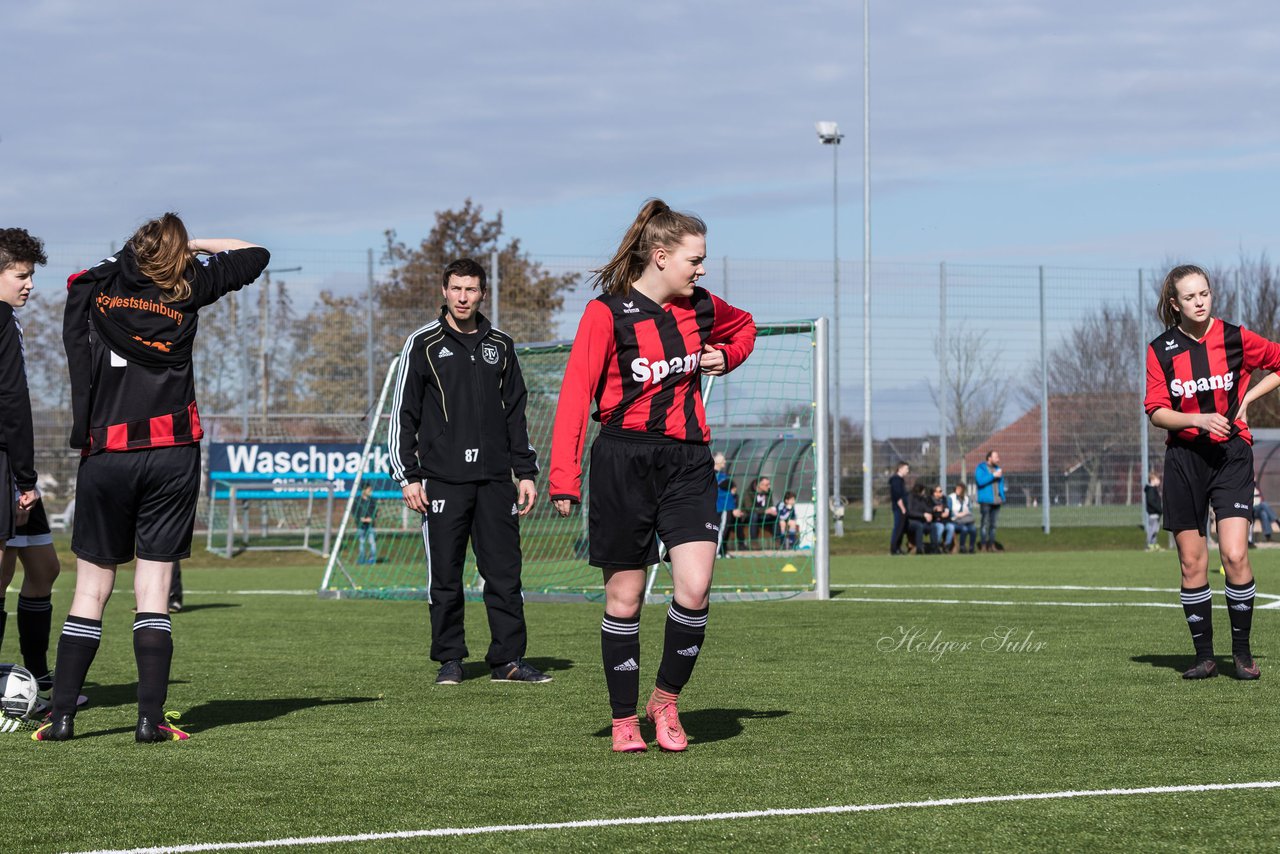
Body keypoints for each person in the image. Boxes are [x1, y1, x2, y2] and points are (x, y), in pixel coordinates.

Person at [38, 213, 269, 742]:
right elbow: (256, 252)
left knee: (91, 589)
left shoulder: (102, 284)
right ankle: (149, 720)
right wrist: (194, 247)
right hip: (170, 452)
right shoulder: (190, 285)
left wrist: (129, 257)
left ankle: (63, 718)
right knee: (154, 588)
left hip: (108, 451)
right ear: (178, 253)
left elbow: (77, 294)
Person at [548, 199, 756, 753]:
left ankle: (665, 700)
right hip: (623, 461)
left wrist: (725, 357)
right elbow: (574, 398)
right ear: (661, 257)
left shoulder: (704, 308)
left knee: (695, 587)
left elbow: (746, 328)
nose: (703, 269)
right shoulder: (606, 315)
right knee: (626, 597)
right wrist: (563, 478)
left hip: (689, 461)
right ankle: (623, 718)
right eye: (696, 258)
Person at [389, 257, 547, 687]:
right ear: (444, 291)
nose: (463, 297)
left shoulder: (501, 343)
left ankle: (508, 659)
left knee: (504, 574)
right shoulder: (421, 344)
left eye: (471, 289)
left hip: (496, 480)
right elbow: (403, 414)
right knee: (445, 575)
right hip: (442, 480)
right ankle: (450, 659)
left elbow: (516, 413)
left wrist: (525, 472)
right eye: (456, 289)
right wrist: (408, 474)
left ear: (482, 293)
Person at [1144, 263, 1280, 681]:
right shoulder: (1160, 349)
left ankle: (1241, 654)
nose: (1199, 302)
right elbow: (1155, 412)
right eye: (1189, 297)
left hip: (1231, 457)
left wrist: (1247, 400)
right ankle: (1204, 656)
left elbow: (1277, 364)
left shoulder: (1236, 337)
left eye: (1204, 293)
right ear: (1175, 304)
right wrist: (1198, 421)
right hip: (1184, 461)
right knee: (1191, 563)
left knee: (1236, 554)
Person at [0, 228, 48, 692]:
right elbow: (12, 399)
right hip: (10, 466)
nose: (29, 284)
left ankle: (38, 675)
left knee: (43, 568)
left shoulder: (8, 318)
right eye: (21, 275)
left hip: (14, 465)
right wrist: (25, 478)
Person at [974, 450, 1006, 552]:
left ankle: (992, 545)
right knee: (984, 524)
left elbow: (1000, 484)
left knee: (993, 525)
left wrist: (1002, 496)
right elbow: (980, 481)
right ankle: (983, 545)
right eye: (996, 457)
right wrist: (993, 475)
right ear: (989, 458)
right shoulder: (981, 468)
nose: (998, 459)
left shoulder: (997, 469)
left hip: (996, 501)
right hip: (986, 501)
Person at [713, 454, 743, 558]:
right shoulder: (712, 475)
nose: (725, 461)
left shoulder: (723, 475)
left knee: (726, 529)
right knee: (721, 529)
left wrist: (734, 507)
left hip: (727, 507)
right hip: (721, 507)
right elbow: (726, 486)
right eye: (723, 460)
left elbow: (732, 491)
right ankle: (715, 552)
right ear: (716, 461)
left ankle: (723, 551)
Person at [904, 482, 937, 555]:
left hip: (921, 521)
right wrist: (923, 515)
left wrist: (933, 510)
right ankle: (919, 549)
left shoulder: (922, 499)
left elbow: (926, 509)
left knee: (933, 526)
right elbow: (910, 512)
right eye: (923, 491)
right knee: (919, 526)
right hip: (911, 523)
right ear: (920, 491)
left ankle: (934, 548)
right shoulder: (910, 497)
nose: (924, 492)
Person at [747, 477, 778, 549]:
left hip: (763, 516)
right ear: (759, 485)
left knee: (776, 515)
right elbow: (749, 508)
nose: (769, 486)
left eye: (769, 484)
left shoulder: (768, 492)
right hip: (750, 516)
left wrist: (772, 509)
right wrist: (764, 511)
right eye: (767, 485)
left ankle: (777, 540)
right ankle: (753, 542)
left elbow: (770, 505)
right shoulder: (749, 493)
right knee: (754, 515)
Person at [353, 483, 379, 564]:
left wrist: (371, 518)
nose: (370, 491)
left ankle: (372, 560)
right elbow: (354, 511)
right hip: (361, 526)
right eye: (369, 490)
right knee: (362, 542)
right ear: (364, 490)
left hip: (371, 525)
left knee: (372, 542)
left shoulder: (372, 500)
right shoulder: (357, 501)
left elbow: (375, 511)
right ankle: (362, 560)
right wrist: (360, 518)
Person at [948, 482, 978, 554]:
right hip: (954, 520)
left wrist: (963, 514)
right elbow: (950, 511)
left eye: (960, 489)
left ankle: (971, 547)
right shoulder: (951, 497)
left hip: (965, 520)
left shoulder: (966, 498)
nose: (958, 490)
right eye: (957, 488)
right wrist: (958, 514)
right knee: (964, 529)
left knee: (973, 529)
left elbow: (969, 510)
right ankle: (962, 547)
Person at [888, 461, 910, 555]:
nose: (908, 471)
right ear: (900, 468)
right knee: (897, 528)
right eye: (906, 469)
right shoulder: (896, 480)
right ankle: (894, 548)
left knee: (901, 528)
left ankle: (898, 547)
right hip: (899, 509)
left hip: (901, 508)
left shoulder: (900, 480)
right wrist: (902, 508)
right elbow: (897, 495)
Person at [929, 485, 955, 554]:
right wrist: (939, 514)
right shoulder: (930, 500)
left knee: (951, 527)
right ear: (934, 493)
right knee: (940, 527)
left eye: (941, 491)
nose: (941, 493)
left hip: (944, 520)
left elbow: (946, 509)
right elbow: (930, 511)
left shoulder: (944, 499)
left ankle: (946, 546)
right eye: (939, 491)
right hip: (935, 521)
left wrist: (946, 512)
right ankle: (937, 545)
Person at [1144, 472, 1163, 552]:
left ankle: (1154, 544)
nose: (1159, 481)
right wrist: (1159, 509)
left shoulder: (1154, 490)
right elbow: (1151, 502)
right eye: (1158, 479)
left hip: (1156, 514)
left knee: (1155, 530)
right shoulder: (1151, 490)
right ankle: (1148, 545)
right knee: (1152, 530)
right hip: (1153, 514)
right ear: (1152, 480)